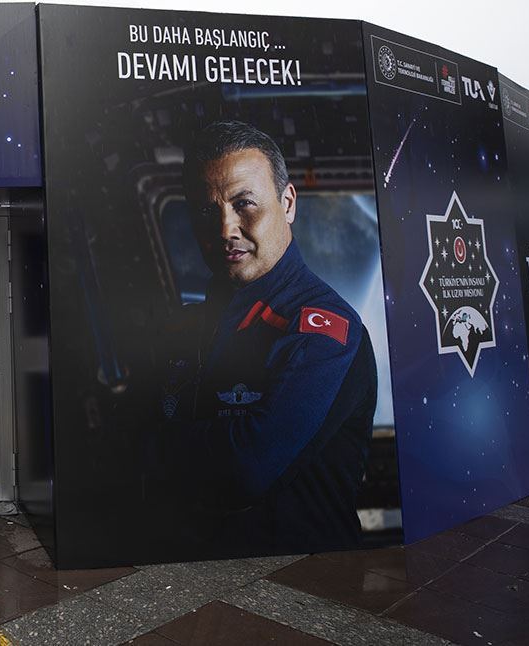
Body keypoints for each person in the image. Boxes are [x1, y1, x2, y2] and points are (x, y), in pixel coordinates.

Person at [152, 119, 376, 553]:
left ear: (287, 203)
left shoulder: (326, 334)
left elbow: (246, 470)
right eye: (207, 211)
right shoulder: (183, 328)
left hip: (304, 579)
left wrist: (152, 448)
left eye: (244, 204)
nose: (225, 229)